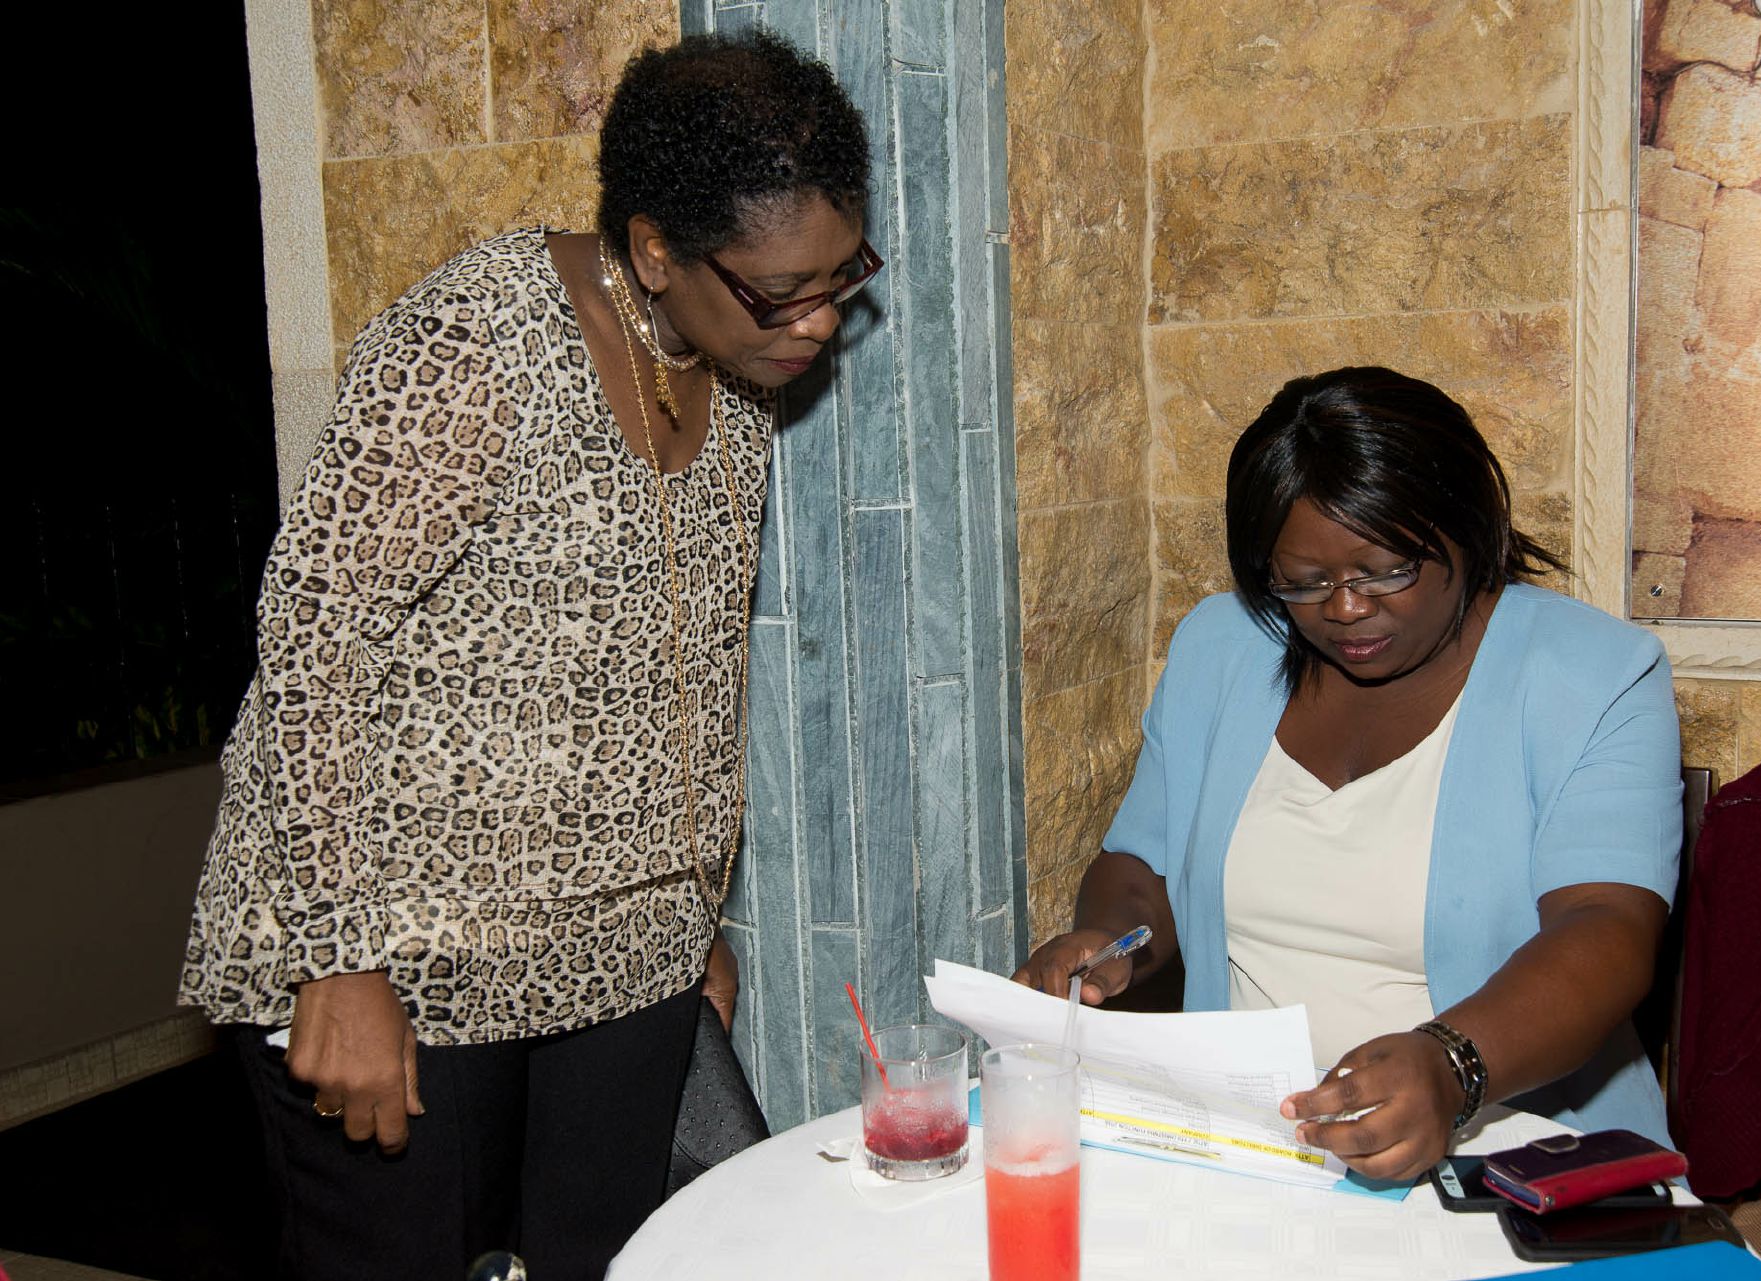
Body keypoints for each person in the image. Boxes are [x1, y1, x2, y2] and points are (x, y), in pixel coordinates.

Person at [178, 30, 877, 1281]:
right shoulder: (476, 344)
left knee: (621, 1263)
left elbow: (682, 664)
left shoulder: (738, 374)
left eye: (842, 279)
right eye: (782, 292)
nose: (819, 321)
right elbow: (312, 640)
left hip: (623, 963)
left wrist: (686, 917)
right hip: (405, 951)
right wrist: (339, 960)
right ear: (655, 251)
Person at [1014, 367, 1682, 1182]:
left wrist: (1451, 1063)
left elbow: (1605, 928)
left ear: (1467, 525)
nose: (1345, 607)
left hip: (1512, 1160)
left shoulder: (1594, 674)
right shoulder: (1221, 650)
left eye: (1386, 569)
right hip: (1254, 1154)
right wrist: (1109, 942)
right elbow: (1141, 865)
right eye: (1302, 582)